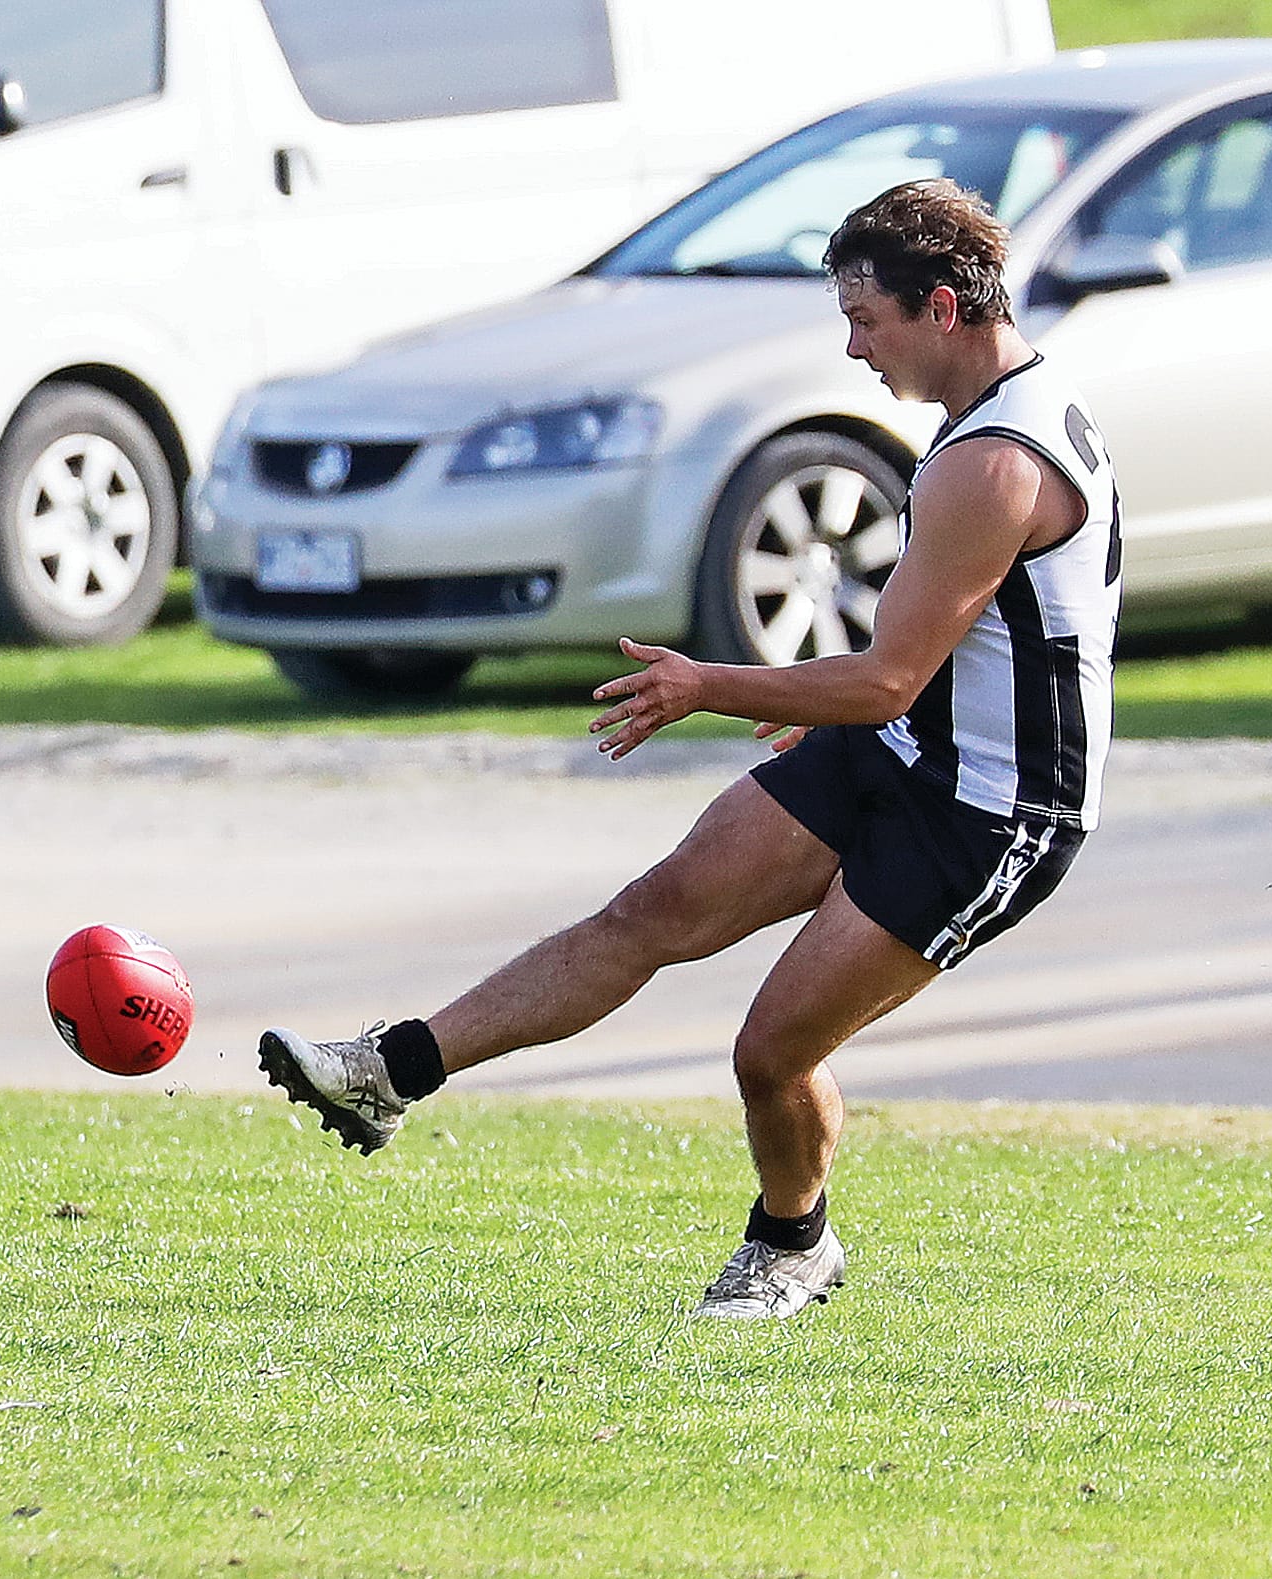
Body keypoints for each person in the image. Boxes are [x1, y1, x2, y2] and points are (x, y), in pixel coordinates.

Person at [257, 178, 1122, 1321]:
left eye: (868, 320)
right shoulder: (986, 415)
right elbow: (932, 648)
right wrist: (827, 697)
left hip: (992, 812)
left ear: (946, 306)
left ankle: (792, 1246)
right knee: (649, 913)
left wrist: (708, 681)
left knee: (771, 1049)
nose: (854, 347)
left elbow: (889, 673)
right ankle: (390, 1070)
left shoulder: (994, 459)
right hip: (900, 743)